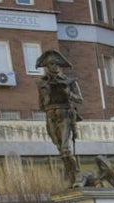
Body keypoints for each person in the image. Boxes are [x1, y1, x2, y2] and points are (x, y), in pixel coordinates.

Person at [36, 49, 83, 187]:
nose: (54, 66)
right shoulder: (42, 84)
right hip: (51, 117)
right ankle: (71, 177)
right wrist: (46, 99)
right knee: (60, 151)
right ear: (46, 66)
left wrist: (68, 93)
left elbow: (79, 99)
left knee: (66, 149)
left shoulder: (70, 81)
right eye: (51, 64)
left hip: (65, 116)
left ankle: (78, 175)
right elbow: (41, 105)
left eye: (56, 63)